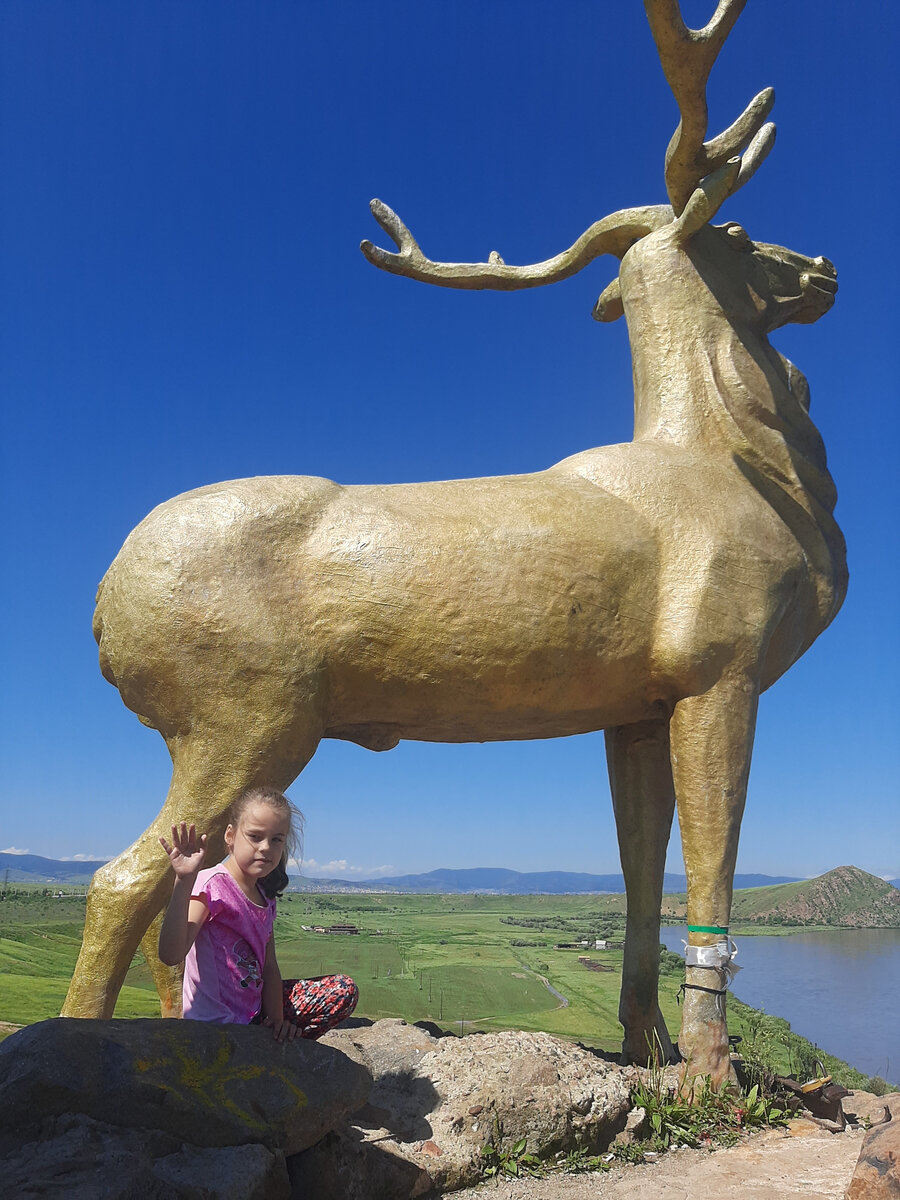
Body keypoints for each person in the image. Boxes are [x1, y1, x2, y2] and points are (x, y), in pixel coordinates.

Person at [158, 785, 358, 1041]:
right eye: (255, 836)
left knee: (343, 990)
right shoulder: (211, 885)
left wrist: (277, 1021)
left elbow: (269, 967)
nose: (265, 847)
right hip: (215, 1025)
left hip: (255, 1015)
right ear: (230, 835)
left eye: (276, 839)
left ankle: (281, 1041)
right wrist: (184, 881)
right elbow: (171, 955)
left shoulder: (265, 896)